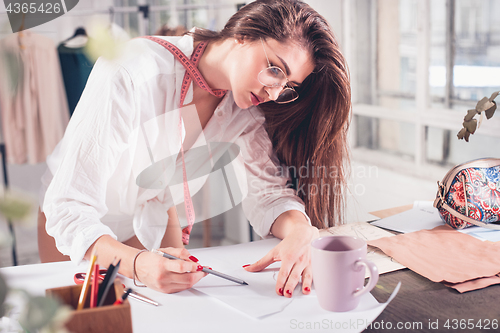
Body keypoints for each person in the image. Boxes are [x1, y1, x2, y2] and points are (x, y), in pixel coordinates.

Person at [38, 0, 351, 297]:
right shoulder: (131, 69)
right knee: (83, 319)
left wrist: (300, 229)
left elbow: (268, 194)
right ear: (244, 34)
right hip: (73, 220)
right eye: (275, 69)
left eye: (288, 86)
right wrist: (136, 264)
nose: (274, 92)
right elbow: (69, 206)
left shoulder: (245, 110)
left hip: (148, 211)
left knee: (173, 312)